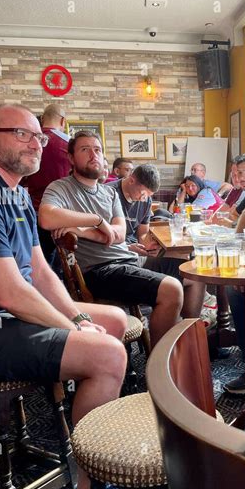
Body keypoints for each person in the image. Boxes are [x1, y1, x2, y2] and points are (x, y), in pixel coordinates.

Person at [0, 103, 140, 489]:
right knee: (107, 355)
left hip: (10, 317)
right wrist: (73, 326)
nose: (37, 143)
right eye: (22, 134)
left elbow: (41, 272)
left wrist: (76, 315)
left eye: (39, 135)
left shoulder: (12, 189)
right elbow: (10, 292)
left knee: (115, 323)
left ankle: (94, 431)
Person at [38, 130, 183, 347]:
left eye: (97, 150)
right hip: (101, 270)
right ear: (71, 157)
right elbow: (46, 218)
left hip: (129, 260)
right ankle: (160, 364)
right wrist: (97, 221)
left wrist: (79, 229)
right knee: (172, 289)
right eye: (85, 149)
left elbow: (118, 235)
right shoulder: (60, 188)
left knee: (191, 272)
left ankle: (191, 345)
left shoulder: (110, 194)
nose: (93, 155)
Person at [110, 164, 206, 317]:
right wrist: (129, 248)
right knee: (179, 275)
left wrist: (147, 245)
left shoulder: (145, 200)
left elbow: (142, 234)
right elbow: (101, 240)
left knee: (196, 273)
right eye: (142, 193)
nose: (144, 199)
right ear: (131, 180)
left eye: (148, 195)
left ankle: (189, 330)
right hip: (118, 260)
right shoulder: (109, 194)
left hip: (136, 255)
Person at [23, 103, 71, 263]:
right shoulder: (69, 144)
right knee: (61, 264)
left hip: (30, 209)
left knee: (36, 262)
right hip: (61, 212)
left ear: (42, 119)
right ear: (63, 121)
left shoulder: (27, 141)